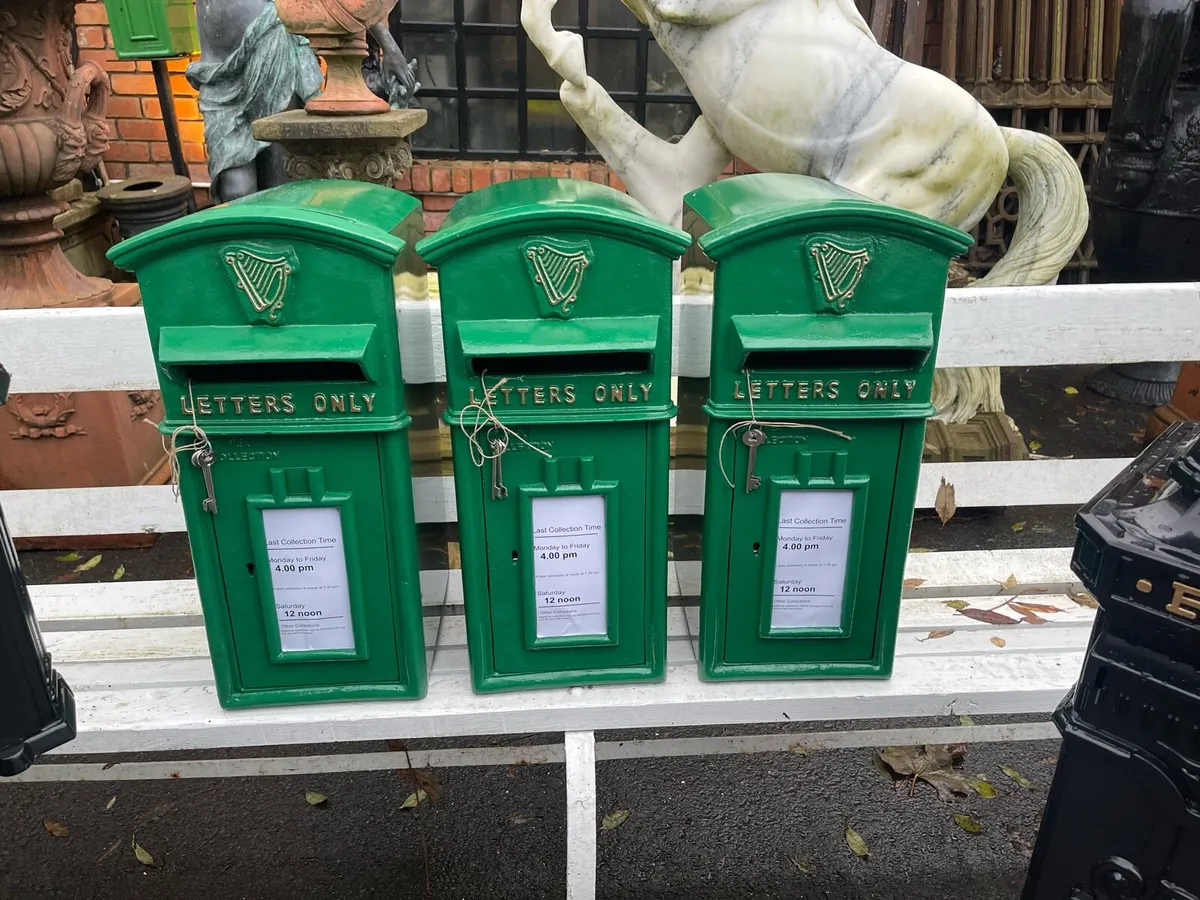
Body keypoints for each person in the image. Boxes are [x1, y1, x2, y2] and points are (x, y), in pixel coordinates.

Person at [189, 0, 418, 203]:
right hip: (218, 74)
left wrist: (390, 47)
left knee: (280, 185)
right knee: (236, 190)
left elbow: (351, 6)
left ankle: (285, 247)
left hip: (271, 47)